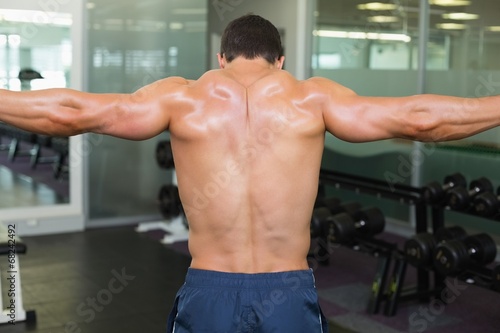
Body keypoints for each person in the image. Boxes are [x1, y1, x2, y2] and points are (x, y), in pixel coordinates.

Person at [1, 14, 499, 333]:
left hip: (209, 288)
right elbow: (421, 119)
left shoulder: (183, 97)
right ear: (279, 60)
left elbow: (68, 113)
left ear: (221, 56)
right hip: (287, 293)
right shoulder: (312, 98)